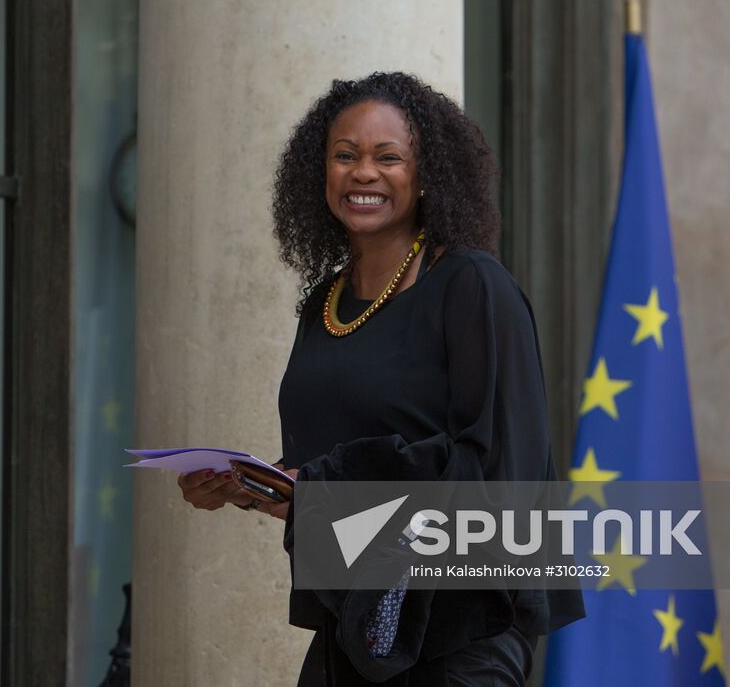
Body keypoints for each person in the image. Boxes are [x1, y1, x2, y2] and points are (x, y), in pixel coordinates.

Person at [178, 72, 583, 685]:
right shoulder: (323, 306)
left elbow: (498, 468)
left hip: (462, 626)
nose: (363, 173)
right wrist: (255, 489)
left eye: (387, 157)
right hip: (356, 623)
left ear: (427, 177)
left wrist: (317, 486)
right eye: (345, 156)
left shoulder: (472, 285)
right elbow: (325, 481)